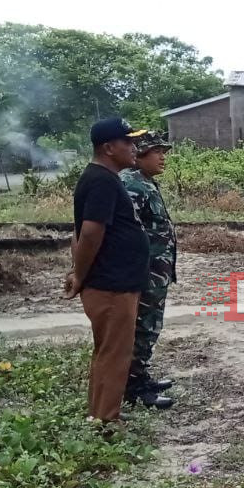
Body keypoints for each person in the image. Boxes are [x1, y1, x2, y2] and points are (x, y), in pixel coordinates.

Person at [64, 118, 150, 425]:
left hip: (115, 283)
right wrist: (80, 276)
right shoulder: (101, 180)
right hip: (112, 286)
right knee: (115, 355)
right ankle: (106, 423)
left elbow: (78, 231)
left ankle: (98, 414)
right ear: (108, 147)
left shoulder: (103, 178)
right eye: (128, 142)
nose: (134, 148)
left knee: (107, 352)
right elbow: (88, 233)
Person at [121, 132, 177, 410]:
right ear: (140, 155)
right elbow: (125, 232)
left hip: (156, 271)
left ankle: (140, 375)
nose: (162, 157)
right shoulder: (132, 186)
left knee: (149, 326)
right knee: (143, 327)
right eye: (157, 151)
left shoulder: (145, 183)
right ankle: (133, 387)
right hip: (144, 273)